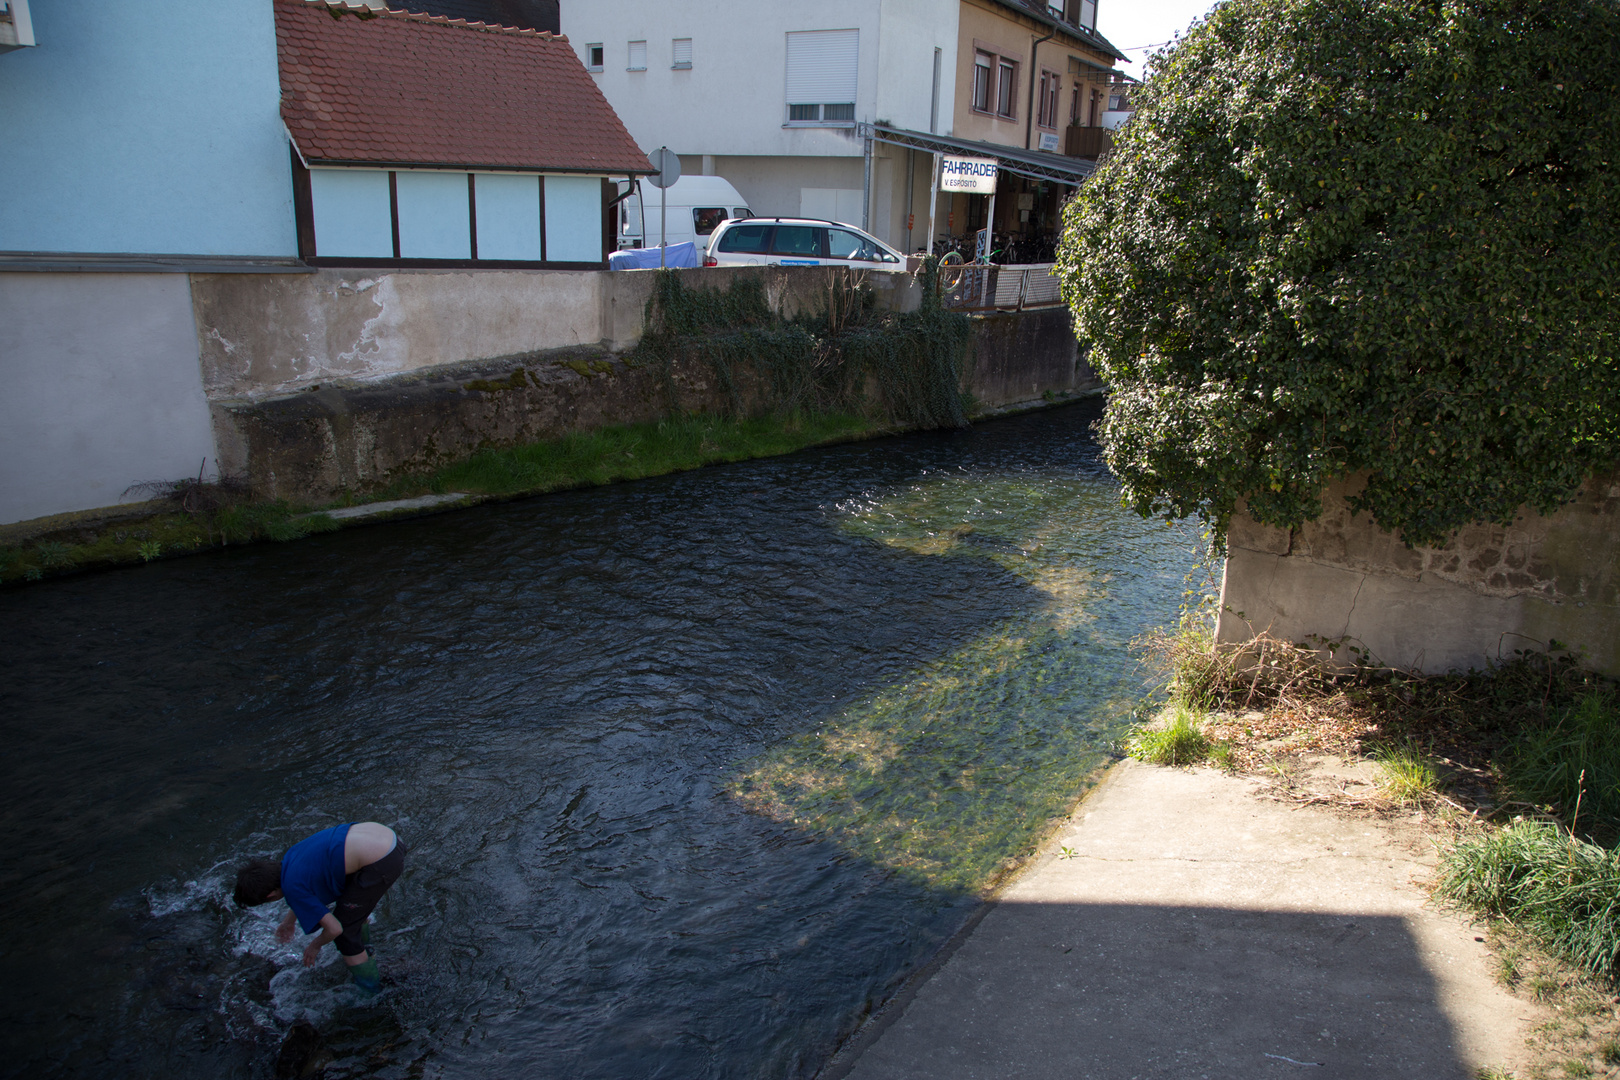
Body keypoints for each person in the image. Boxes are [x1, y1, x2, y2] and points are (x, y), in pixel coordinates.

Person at [233, 821, 407, 994]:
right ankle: (365, 949)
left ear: (269, 896)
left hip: (384, 860)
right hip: (387, 837)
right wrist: (289, 922)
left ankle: (371, 991)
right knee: (349, 908)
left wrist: (315, 945)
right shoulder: (290, 858)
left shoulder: (293, 888)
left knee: (345, 932)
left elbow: (334, 928)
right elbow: (304, 891)